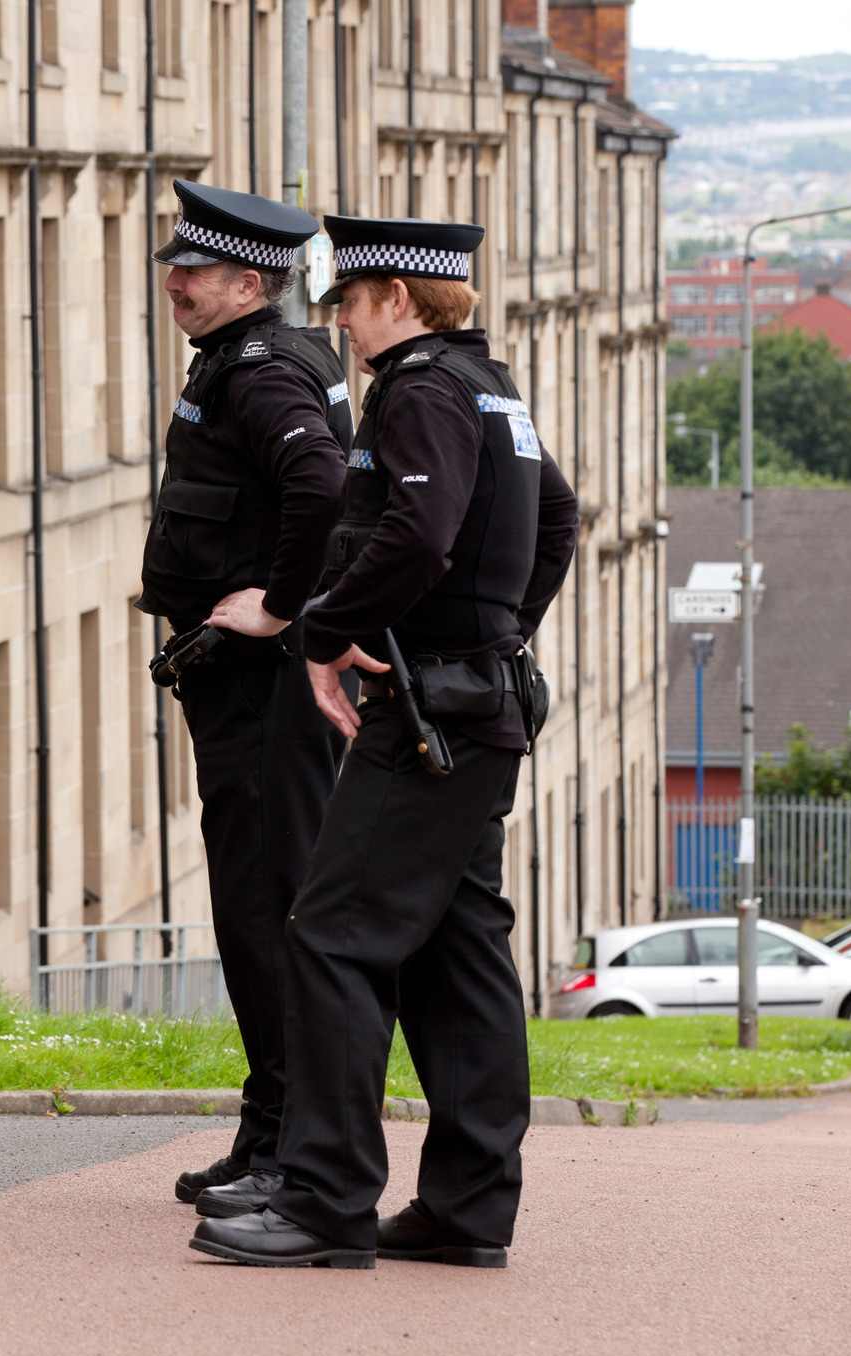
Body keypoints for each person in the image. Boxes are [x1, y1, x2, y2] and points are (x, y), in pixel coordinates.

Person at [190, 216, 579, 1269]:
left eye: (351, 305)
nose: (343, 329)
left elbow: (416, 533)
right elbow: (556, 519)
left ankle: (322, 1199)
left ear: (398, 299)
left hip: (422, 717)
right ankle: (464, 1208)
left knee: (329, 933)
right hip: (477, 703)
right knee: (457, 954)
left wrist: (324, 632)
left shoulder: (418, 392)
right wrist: (497, 633)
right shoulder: (492, 387)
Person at [135, 180, 353, 1217]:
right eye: (174, 264)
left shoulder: (260, 372)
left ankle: (289, 1148)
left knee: (267, 914)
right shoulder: (257, 357)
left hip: (263, 694)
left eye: (195, 270)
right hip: (246, 697)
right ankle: (268, 1128)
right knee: (256, 909)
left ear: (249, 281)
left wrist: (277, 601)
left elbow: (318, 480)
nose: (173, 281)